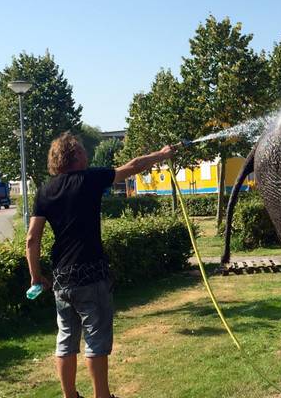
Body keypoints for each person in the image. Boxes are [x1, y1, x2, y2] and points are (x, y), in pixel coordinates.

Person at [26, 132, 175, 398]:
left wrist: (36, 277)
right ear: (75, 156)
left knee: (66, 339)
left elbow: (31, 239)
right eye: (82, 151)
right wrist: (161, 155)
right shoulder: (89, 179)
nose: (86, 155)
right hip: (91, 275)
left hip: (62, 278)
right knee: (95, 339)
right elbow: (132, 167)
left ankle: (70, 395)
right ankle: (102, 395)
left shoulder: (45, 191)